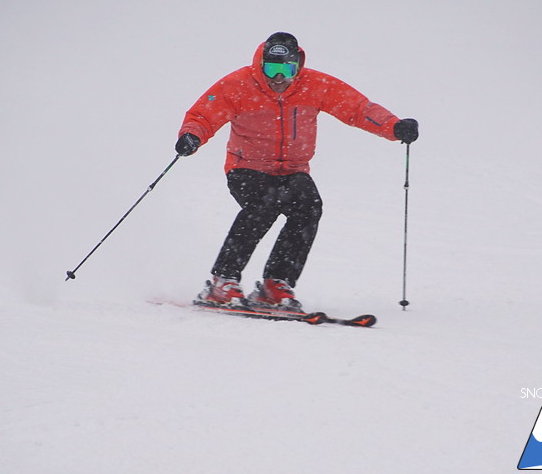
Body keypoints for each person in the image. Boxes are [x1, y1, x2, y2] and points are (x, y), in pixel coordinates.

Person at [175, 32, 418, 310]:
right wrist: (192, 136)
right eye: (271, 69)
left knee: (309, 207)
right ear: (260, 65)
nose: (278, 78)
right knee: (263, 205)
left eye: (286, 70)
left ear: (297, 67)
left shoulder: (315, 85)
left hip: (292, 169)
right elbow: (202, 115)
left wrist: (394, 127)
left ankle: (275, 284)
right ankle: (223, 281)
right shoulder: (237, 85)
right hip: (246, 167)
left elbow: (358, 109)